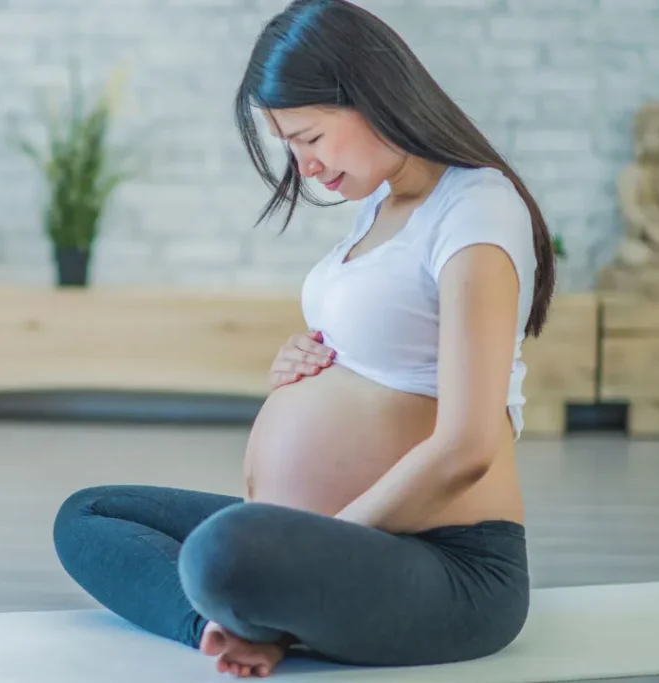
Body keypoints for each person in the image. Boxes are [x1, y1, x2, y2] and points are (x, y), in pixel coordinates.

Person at [52, 0, 555, 677]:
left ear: (370, 95)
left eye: (309, 136)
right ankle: (231, 627)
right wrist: (309, 363)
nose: (304, 165)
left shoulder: (477, 208)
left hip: (447, 561)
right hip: (325, 540)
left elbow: (468, 445)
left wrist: (315, 539)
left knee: (223, 553)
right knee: (89, 514)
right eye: (290, 144)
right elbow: (383, 349)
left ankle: (255, 604)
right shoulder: (380, 203)